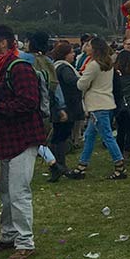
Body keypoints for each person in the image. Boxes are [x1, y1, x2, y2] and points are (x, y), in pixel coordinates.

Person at [0, 24, 46, 259]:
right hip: (7, 140)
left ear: (3, 44)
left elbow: (29, 102)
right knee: (5, 192)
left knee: (18, 192)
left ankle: (25, 242)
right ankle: (9, 236)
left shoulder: (19, 68)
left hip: (23, 138)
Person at [71, 37, 128, 180]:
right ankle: (82, 166)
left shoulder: (93, 65)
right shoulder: (108, 64)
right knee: (90, 136)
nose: (86, 47)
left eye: (89, 45)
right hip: (107, 102)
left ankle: (120, 166)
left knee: (107, 136)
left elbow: (81, 85)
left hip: (97, 105)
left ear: (94, 48)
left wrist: (80, 78)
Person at [49, 41, 82, 183]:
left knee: (57, 137)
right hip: (68, 107)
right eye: (71, 52)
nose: (74, 54)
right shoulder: (65, 68)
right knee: (61, 137)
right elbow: (72, 82)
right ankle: (60, 165)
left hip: (59, 106)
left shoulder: (54, 66)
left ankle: (56, 166)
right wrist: (82, 78)